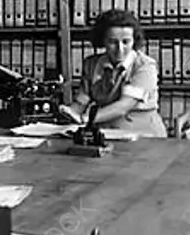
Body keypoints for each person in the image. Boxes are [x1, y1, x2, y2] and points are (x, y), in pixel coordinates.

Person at [60, 8, 168, 138]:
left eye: (126, 42)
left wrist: (84, 119)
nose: (120, 49)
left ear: (134, 40)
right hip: (105, 133)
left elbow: (123, 107)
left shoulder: (145, 66)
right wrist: (69, 112)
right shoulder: (91, 64)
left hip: (144, 137)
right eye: (112, 42)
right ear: (103, 41)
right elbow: (82, 101)